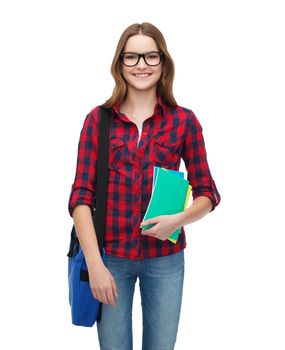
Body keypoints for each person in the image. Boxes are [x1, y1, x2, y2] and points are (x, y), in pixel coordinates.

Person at [68, 22, 221, 350]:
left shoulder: (184, 121)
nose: (141, 65)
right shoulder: (98, 120)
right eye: (132, 57)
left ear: (163, 63)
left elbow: (207, 191)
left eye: (151, 56)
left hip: (165, 259)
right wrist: (94, 265)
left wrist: (176, 220)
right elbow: (80, 196)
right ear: (119, 64)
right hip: (111, 258)